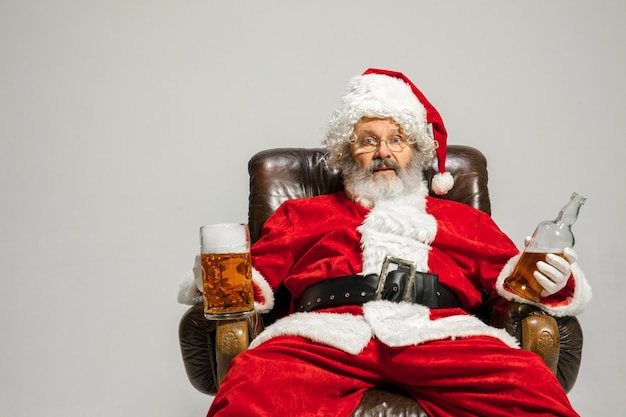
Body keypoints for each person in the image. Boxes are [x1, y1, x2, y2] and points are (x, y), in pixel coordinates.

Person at [179, 68, 591, 417]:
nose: (384, 152)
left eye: (397, 140)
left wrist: (554, 283)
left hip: (442, 334)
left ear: (415, 151)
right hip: (323, 336)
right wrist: (209, 279)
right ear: (345, 153)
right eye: (368, 140)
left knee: (530, 388)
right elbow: (255, 281)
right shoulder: (301, 215)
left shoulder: (463, 220)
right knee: (249, 389)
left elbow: (513, 287)